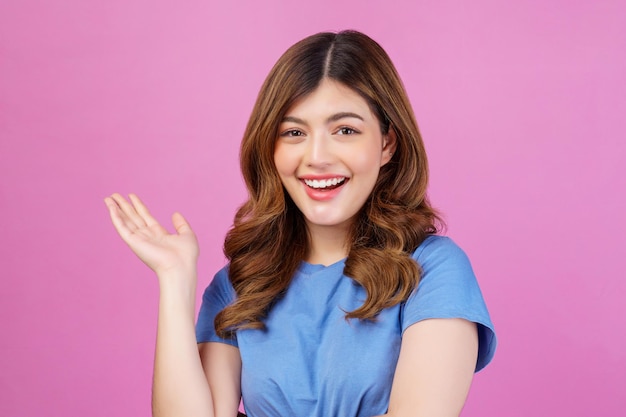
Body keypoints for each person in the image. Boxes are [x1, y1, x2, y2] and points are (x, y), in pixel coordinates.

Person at [105, 30, 496, 417]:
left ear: (387, 144)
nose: (316, 156)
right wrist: (174, 280)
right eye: (293, 132)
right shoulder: (239, 285)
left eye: (345, 130)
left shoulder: (433, 271)